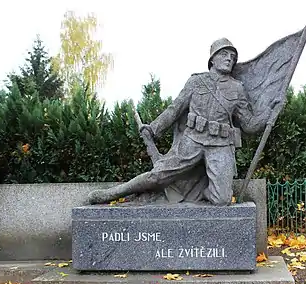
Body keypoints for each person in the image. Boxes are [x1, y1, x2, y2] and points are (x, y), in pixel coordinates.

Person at [88, 38, 273, 206]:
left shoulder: (237, 88)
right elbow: (175, 109)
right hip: (192, 139)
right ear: (212, 59)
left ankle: (200, 191)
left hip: (220, 144)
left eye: (232, 57)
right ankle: (111, 194)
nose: (229, 59)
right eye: (224, 54)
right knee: (158, 175)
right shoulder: (196, 82)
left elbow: (249, 124)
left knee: (222, 199)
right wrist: (153, 128)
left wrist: (270, 112)